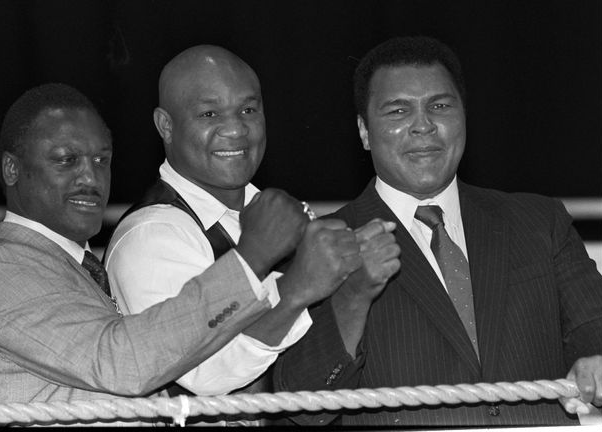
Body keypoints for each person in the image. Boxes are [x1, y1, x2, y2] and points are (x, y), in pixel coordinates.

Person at [0, 82, 367, 426]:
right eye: (66, 160)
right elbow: (124, 364)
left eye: (101, 159)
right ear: (12, 170)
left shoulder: (74, 268)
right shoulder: (2, 267)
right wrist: (251, 258)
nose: (90, 176)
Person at [273, 36, 602, 426]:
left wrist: (596, 366)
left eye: (440, 106)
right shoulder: (321, 244)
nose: (423, 126)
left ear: (464, 116)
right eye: (398, 111)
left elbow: (594, 328)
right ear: (364, 131)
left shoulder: (538, 220)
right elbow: (299, 410)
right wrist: (352, 296)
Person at [104, 45, 401, 425]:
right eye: (209, 113)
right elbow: (205, 373)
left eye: (248, 109)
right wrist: (296, 289)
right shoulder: (151, 236)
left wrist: (352, 291)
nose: (235, 129)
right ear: (166, 125)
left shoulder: (274, 210)